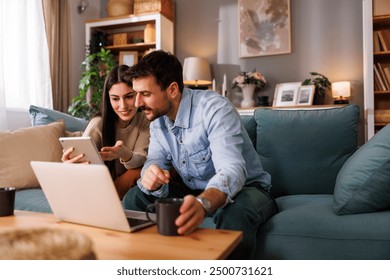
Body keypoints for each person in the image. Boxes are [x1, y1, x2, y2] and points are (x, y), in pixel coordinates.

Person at [122, 50, 278, 259]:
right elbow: (155, 160)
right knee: (135, 197)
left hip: (248, 190)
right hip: (193, 190)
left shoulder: (214, 108)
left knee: (235, 214)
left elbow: (232, 170)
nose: (137, 103)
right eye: (136, 93)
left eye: (146, 94)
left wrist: (203, 203)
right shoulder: (158, 120)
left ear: (173, 89)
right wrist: (151, 174)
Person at [62, 65, 150, 199]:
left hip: (130, 183)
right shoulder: (98, 124)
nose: (123, 106)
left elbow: (142, 160)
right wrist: (69, 166)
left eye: (129, 97)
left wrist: (125, 155)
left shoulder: (144, 119)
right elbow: (81, 172)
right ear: (108, 100)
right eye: (115, 99)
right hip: (98, 186)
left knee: (140, 170)